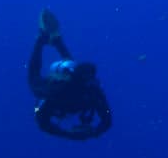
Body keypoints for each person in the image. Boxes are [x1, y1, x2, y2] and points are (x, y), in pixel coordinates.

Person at [28, 9, 112, 139]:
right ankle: (48, 40)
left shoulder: (92, 90)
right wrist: (69, 135)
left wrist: (92, 132)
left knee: (73, 71)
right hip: (63, 90)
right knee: (35, 82)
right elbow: (43, 121)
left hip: (71, 86)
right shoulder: (56, 90)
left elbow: (107, 120)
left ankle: (54, 40)